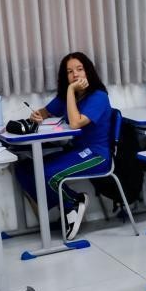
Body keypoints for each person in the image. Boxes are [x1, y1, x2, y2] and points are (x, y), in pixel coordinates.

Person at [20, 52, 113, 241]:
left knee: (46, 174)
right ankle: (68, 205)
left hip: (96, 154)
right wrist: (38, 115)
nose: (75, 74)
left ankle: (72, 203)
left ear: (88, 71)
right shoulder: (67, 97)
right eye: (70, 72)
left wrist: (70, 90)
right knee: (24, 168)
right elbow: (46, 111)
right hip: (75, 151)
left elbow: (76, 123)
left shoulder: (98, 96)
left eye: (79, 69)